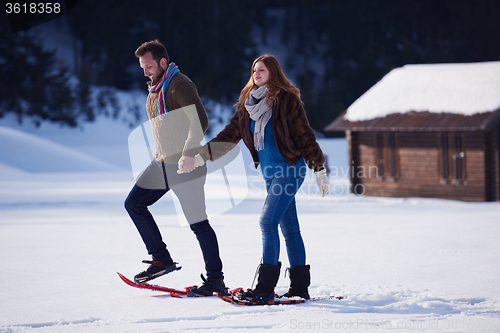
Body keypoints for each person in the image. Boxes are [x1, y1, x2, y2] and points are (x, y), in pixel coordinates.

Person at [186, 54, 329, 303]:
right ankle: (299, 288)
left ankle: (264, 287)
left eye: (261, 69)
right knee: (290, 230)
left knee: (267, 222)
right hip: (270, 174)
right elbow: (230, 135)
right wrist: (201, 156)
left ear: (273, 72)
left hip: (290, 170)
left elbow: (305, 134)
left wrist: (318, 168)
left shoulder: (286, 100)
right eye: (254, 69)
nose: (256, 73)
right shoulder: (248, 105)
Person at [124, 39, 227, 297]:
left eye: (148, 66)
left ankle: (216, 280)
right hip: (162, 164)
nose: (145, 72)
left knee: (198, 224)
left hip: (186, 165)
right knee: (134, 203)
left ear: (162, 62)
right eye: (142, 67)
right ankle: (161, 259)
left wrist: (189, 153)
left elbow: (200, 120)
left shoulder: (179, 84)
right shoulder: (155, 89)